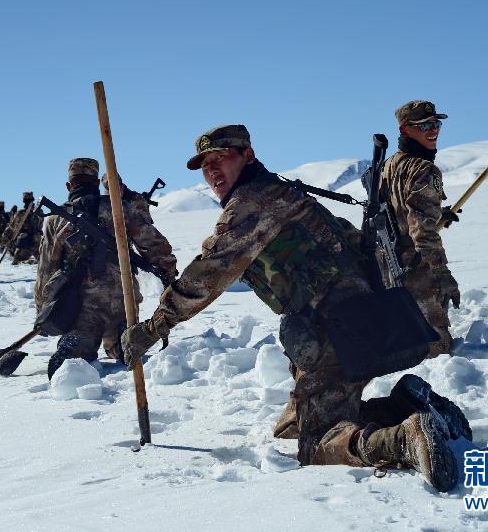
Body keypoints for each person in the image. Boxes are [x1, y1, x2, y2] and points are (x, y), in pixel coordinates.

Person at [120, 125, 468, 492]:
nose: (212, 170)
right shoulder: (284, 193)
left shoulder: (252, 204)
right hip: (359, 321)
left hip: (336, 331)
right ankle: (408, 406)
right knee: (297, 422)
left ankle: (404, 438)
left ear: (248, 156)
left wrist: (154, 326)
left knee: (314, 444)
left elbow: (207, 274)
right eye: (205, 164)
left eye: (222, 157)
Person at [35, 158, 177, 373]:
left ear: (68, 186)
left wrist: (44, 311)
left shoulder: (55, 220)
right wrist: (168, 273)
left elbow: (46, 270)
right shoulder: (120, 209)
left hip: (80, 305)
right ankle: (122, 338)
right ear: (96, 183)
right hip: (124, 297)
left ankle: (77, 344)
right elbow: (153, 243)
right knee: (125, 344)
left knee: (79, 355)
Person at [380, 100, 460, 357]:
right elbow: (421, 231)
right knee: (435, 349)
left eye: (436, 124)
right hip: (416, 269)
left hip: (388, 269)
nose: (433, 129)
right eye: (424, 125)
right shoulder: (424, 169)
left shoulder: (389, 165)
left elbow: (400, 213)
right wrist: (441, 272)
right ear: (405, 131)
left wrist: (438, 216)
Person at [100, 173, 177, 359]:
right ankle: (118, 345)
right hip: (115, 270)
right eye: (109, 189)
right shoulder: (108, 206)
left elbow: (145, 234)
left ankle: (115, 344)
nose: (114, 191)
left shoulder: (129, 203)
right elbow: (148, 239)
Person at [12, 192, 43, 265]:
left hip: (30, 238)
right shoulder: (38, 211)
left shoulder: (36, 211)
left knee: (17, 260)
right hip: (29, 239)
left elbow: (14, 226)